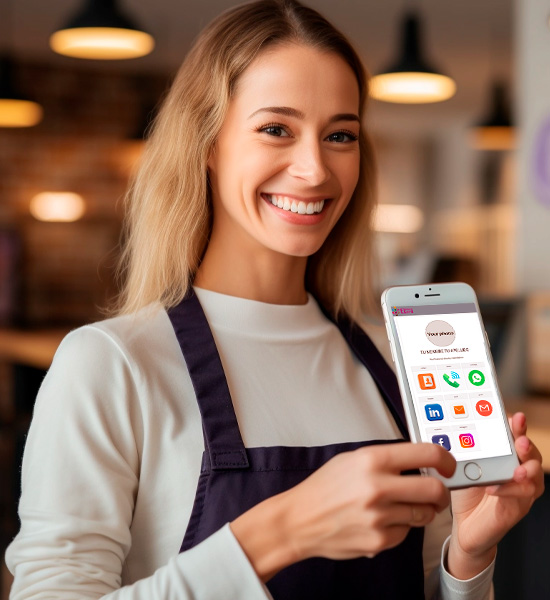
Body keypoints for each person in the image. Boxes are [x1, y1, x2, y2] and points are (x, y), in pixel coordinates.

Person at [5, 1, 543, 598]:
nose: (315, 169)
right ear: (206, 143)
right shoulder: (109, 364)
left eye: (340, 135)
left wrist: (468, 555)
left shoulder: (391, 364)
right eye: (276, 129)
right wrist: (275, 534)